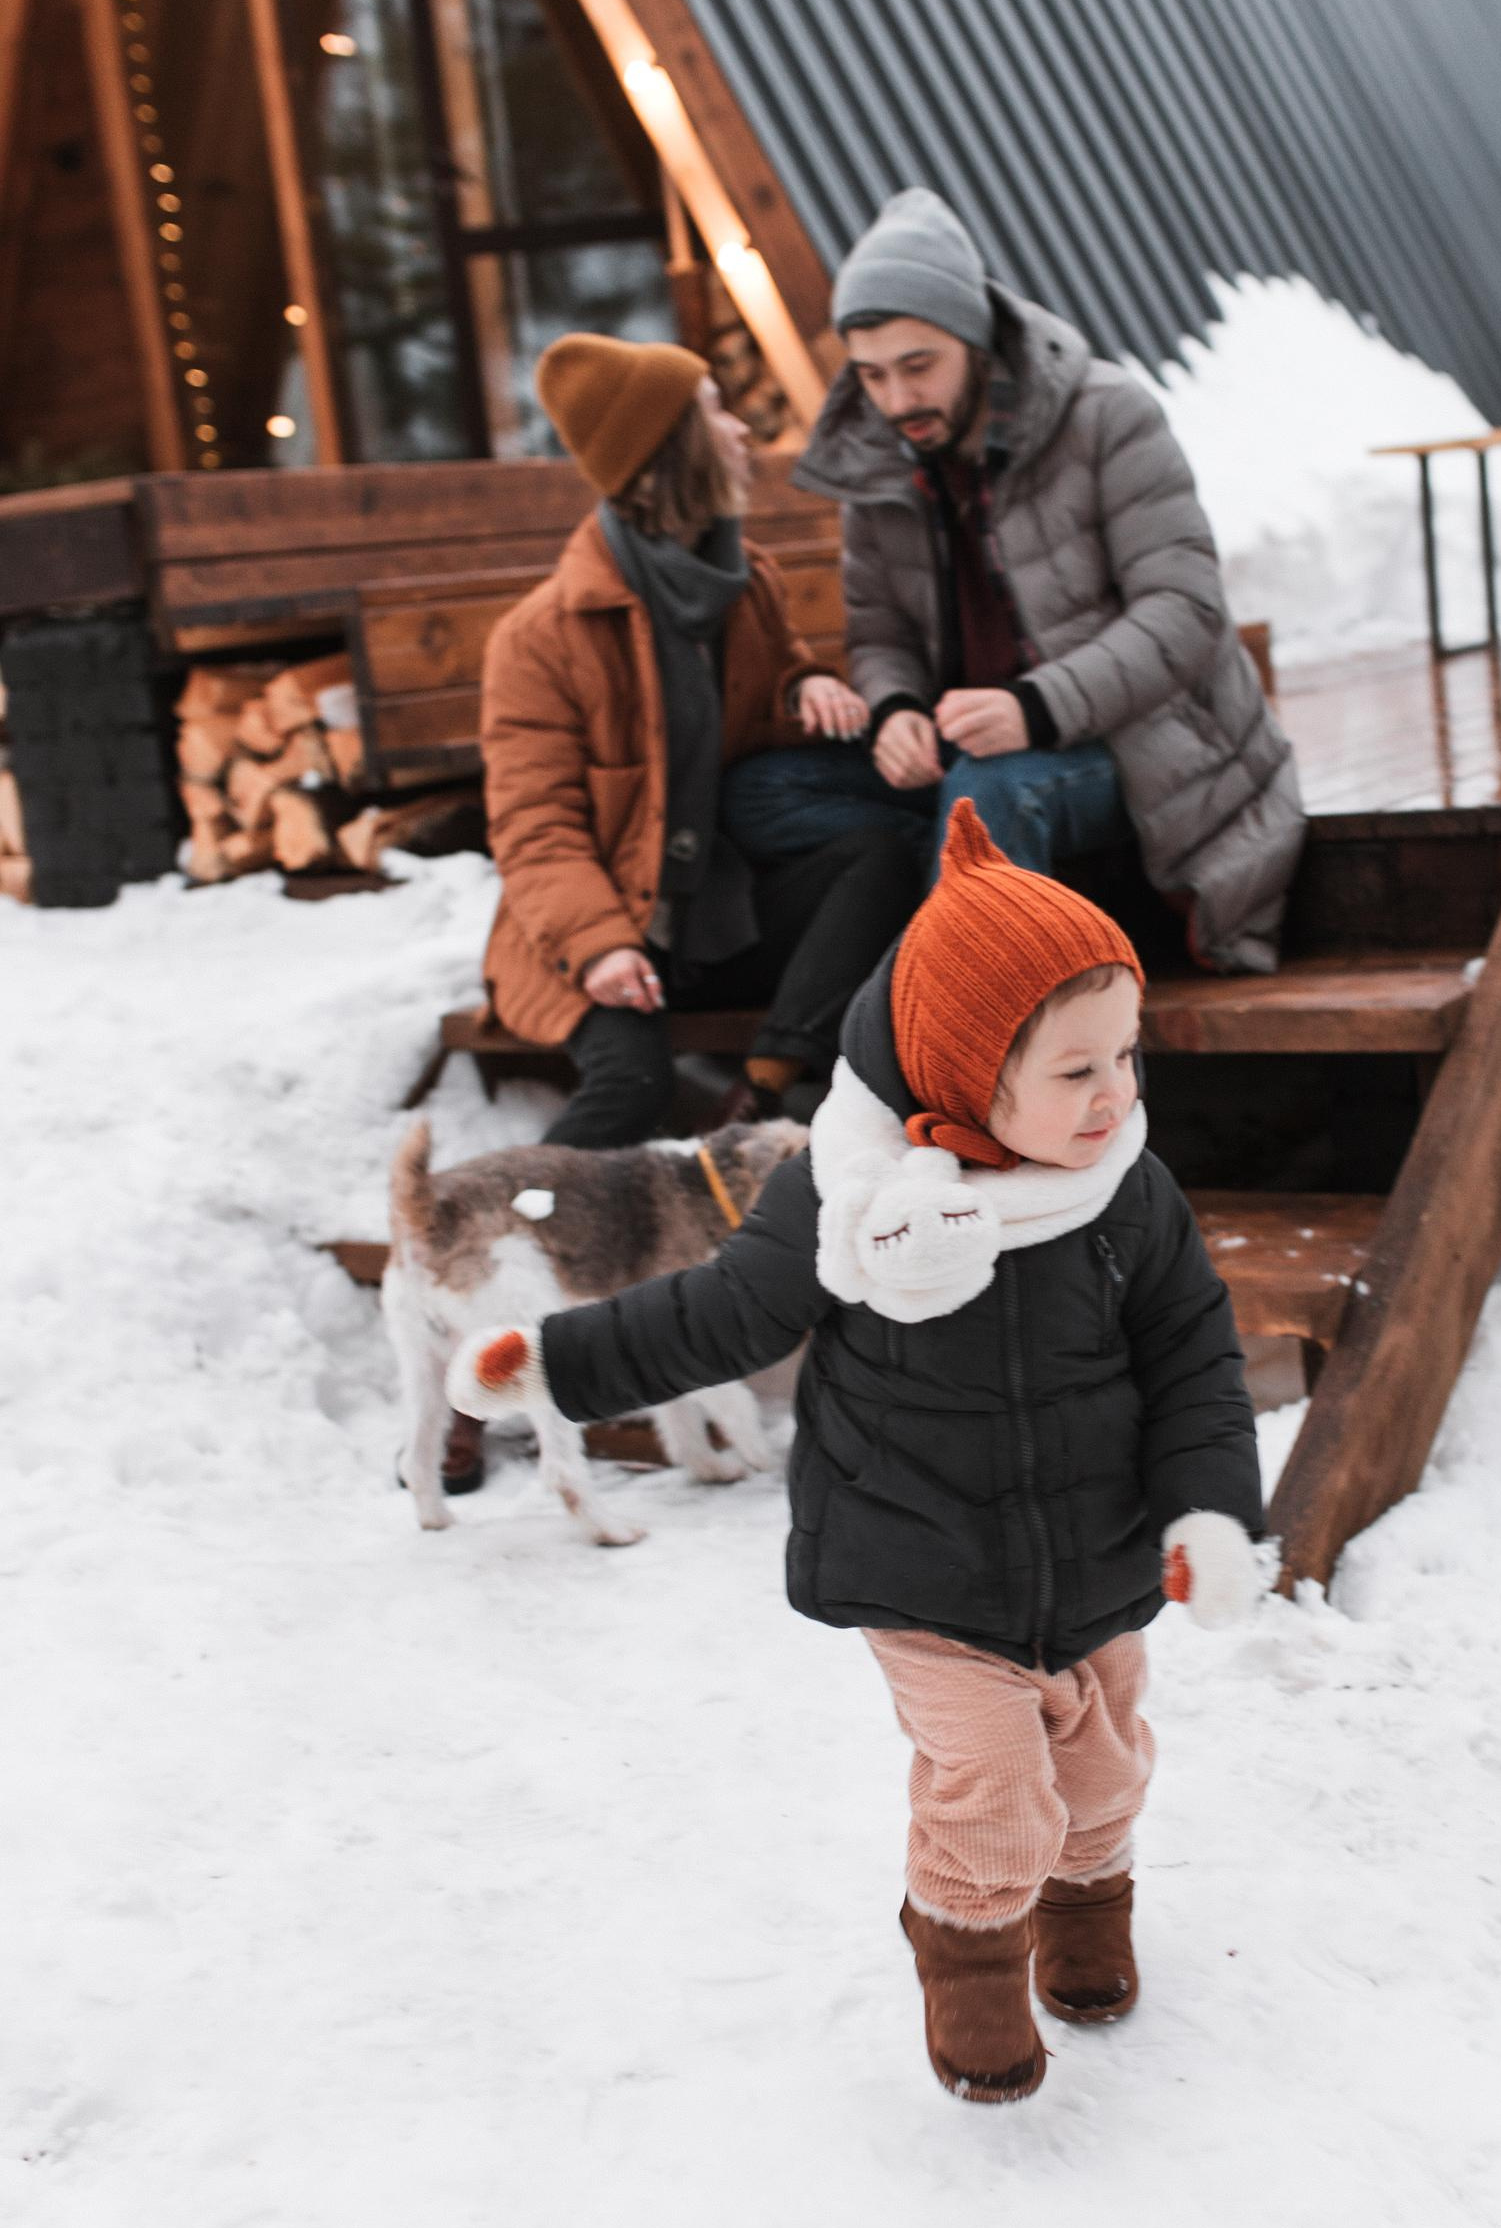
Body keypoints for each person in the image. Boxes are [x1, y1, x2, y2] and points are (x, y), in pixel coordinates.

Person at [446, 801, 1268, 2103]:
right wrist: (557, 1363)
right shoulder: (840, 1199)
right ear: (965, 1067)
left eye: (1128, 1058)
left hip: (1098, 1553)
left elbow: (1195, 1363)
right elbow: (714, 1316)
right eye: (1075, 1071)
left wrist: (1211, 1512)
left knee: (1102, 1769)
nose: (1116, 1097)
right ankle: (970, 1954)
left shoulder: (1128, 1195)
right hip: (926, 1565)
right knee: (992, 1784)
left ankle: (1085, 1901)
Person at [722, 187, 1305, 971]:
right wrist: (895, 711)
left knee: (987, 794)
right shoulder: (879, 456)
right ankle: (992, 889)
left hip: (1138, 741)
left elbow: (1185, 612)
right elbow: (880, 629)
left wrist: (1036, 707)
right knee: (762, 790)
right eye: (872, 376)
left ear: (976, 338)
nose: (898, 400)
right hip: (973, 754)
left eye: (919, 367)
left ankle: (967, 1037)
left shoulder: (1106, 414)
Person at [480, 333, 924, 1153]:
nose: (742, 432)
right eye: (717, 412)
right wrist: (602, 946)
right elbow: (534, 830)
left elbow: (767, 703)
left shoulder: (744, 583)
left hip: (714, 919)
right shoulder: (540, 637)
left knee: (878, 859)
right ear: (671, 449)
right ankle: (503, 1241)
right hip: (599, 932)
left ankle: (760, 1092)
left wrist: (806, 690)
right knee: (633, 1084)